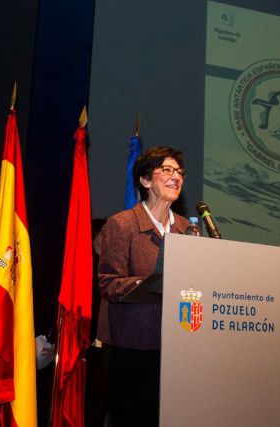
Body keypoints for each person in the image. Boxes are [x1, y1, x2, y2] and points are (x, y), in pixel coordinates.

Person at [95, 146, 190, 426]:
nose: (176, 177)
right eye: (168, 170)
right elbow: (108, 284)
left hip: (178, 347)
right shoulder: (122, 225)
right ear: (146, 180)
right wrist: (149, 284)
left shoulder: (187, 229)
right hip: (132, 348)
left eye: (180, 172)